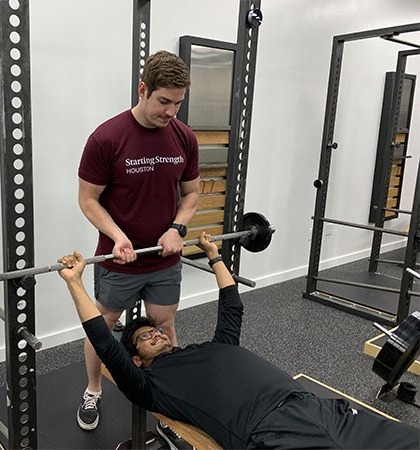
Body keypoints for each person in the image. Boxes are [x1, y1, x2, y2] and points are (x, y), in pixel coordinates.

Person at [57, 233, 420, 450]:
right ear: (137, 359)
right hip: (272, 431)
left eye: (154, 330)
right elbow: (104, 341)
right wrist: (75, 282)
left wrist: (215, 256)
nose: (155, 333)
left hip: (321, 408)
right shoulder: (148, 385)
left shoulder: (218, 346)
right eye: (145, 338)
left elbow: (232, 306)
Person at [76, 49, 200, 434]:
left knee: (165, 328)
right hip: (120, 261)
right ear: (143, 89)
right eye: (163, 101)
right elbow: (88, 199)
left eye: (177, 104)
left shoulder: (184, 137)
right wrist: (117, 236)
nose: (170, 112)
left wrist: (176, 229)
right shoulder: (107, 138)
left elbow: (192, 194)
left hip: (164, 261)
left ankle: (168, 395)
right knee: (103, 329)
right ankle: (94, 388)